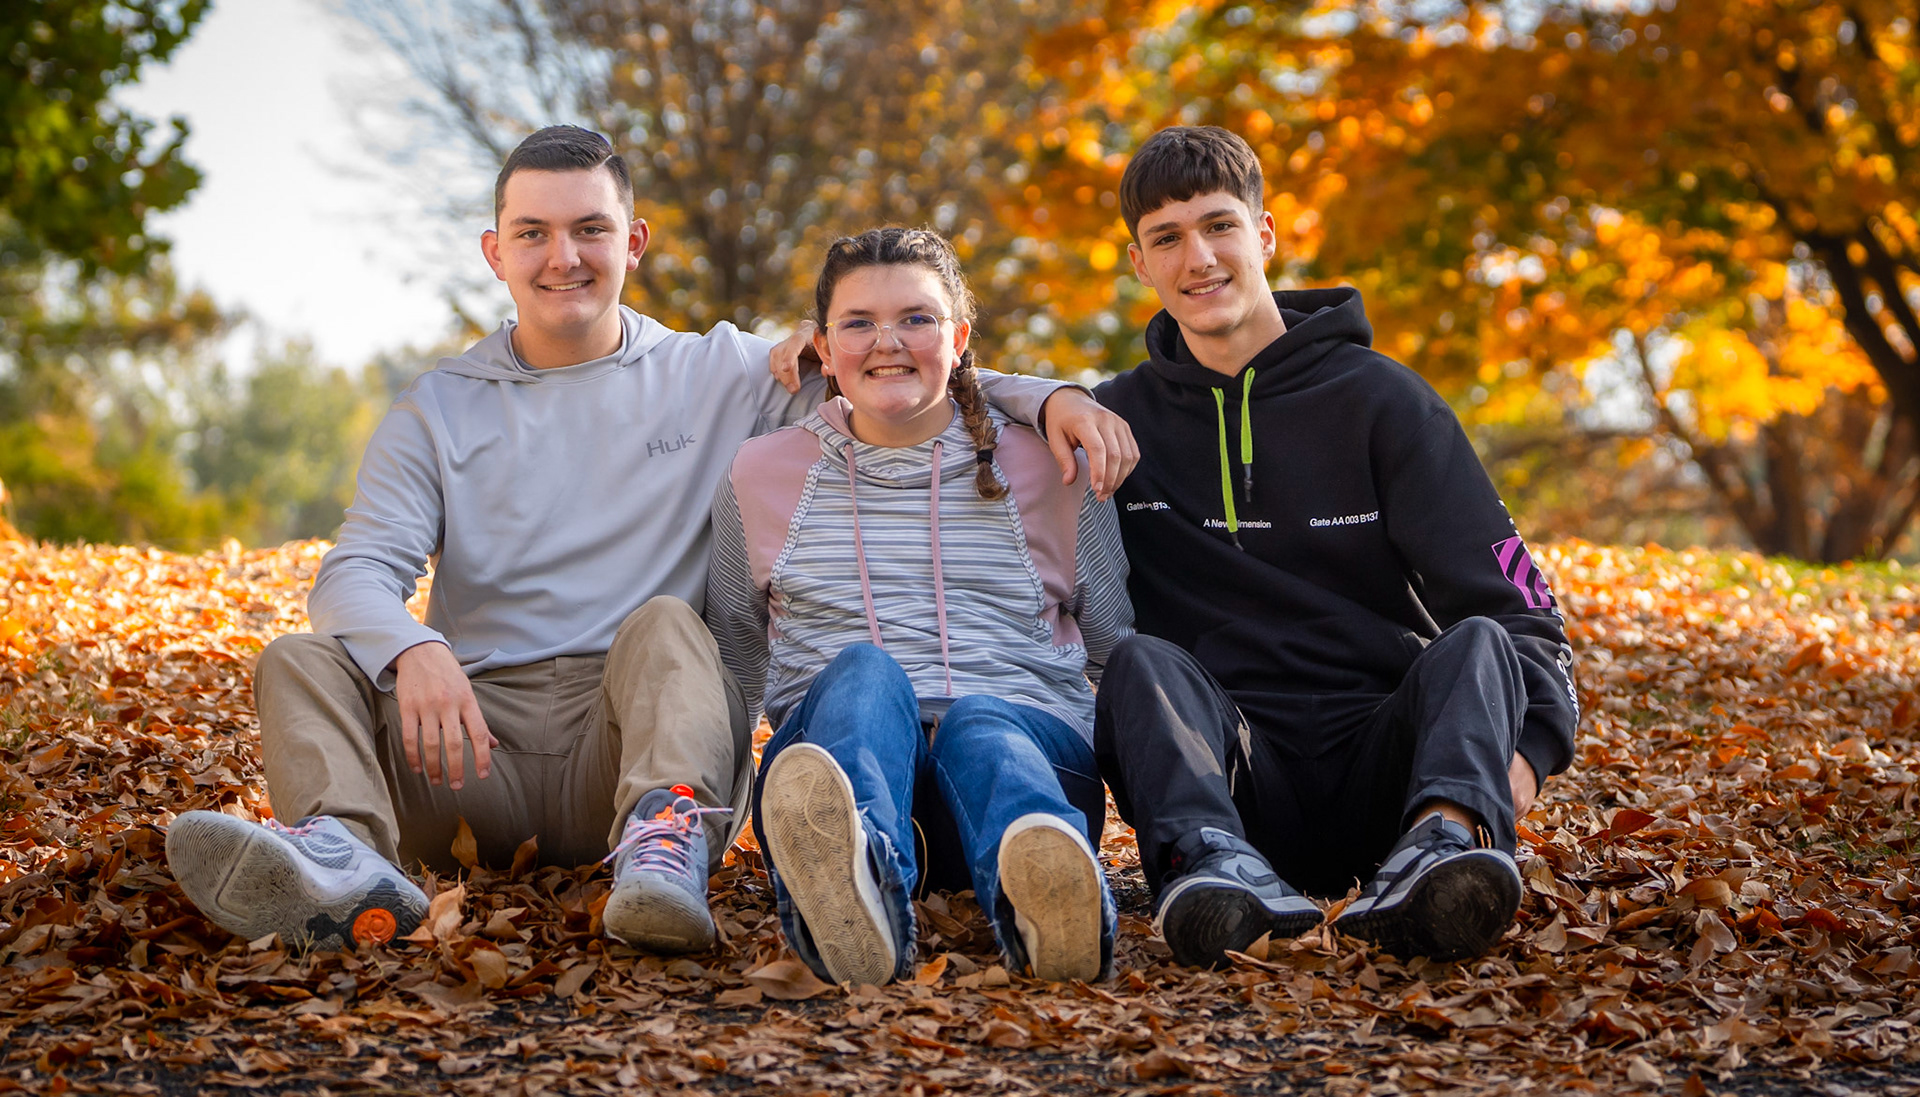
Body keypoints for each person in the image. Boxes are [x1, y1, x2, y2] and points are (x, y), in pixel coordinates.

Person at [162, 126, 1139, 954]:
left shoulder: (716, 372)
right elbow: (354, 572)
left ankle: (663, 852)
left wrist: (1050, 398)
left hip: (628, 735)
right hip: (468, 752)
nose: (564, 256)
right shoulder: (438, 407)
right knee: (299, 657)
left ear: (633, 241)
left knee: (670, 620)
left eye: (590, 229)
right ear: (495, 252)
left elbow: (899, 368)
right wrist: (411, 646)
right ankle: (344, 853)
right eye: (533, 233)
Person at [1091, 126, 1578, 967]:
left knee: (1478, 643)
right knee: (1140, 663)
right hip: (1229, 782)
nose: (1197, 258)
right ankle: (1210, 871)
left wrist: (1519, 768)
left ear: (1265, 234)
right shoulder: (1113, 422)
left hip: (1391, 777)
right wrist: (1049, 399)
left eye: (1219, 226)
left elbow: (1525, 612)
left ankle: (1442, 856)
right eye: (1166, 238)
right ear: (1140, 263)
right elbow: (963, 411)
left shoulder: (1385, 401)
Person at [707, 227, 1134, 985]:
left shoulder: (1052, 462)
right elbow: (737, 656)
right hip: (839, 770)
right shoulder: (762, 471)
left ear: (959, 338)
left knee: (983, 721)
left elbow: (1111, 643)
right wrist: (717, 812)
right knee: (865, 674)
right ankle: (856, 878)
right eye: (859, 323)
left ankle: (1046, 888)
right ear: (824, 347)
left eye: (916, 318)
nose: (887, 343)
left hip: (1027, 766)